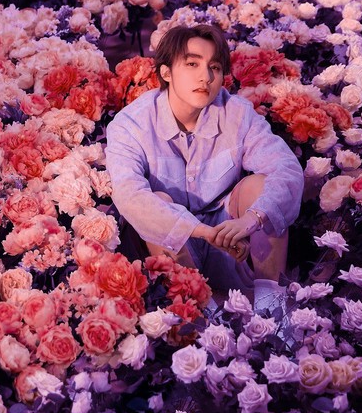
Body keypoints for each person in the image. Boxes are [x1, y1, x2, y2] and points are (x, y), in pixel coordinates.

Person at [105, 24, 304, 311]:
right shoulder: (131, 125)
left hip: (231, 239)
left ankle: (271, 306)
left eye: (214, 67)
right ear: (166, 73)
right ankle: (200, 310)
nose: (205, 77)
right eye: (192, 64)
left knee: (260, 187)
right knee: (156, 201)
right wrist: (202, 232)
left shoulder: (236, 114)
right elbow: (130, 196)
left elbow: (286, 169)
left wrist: (250, 220)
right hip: (172, 247)